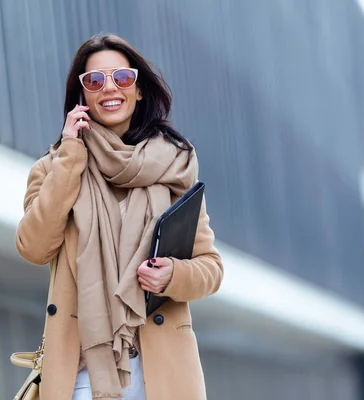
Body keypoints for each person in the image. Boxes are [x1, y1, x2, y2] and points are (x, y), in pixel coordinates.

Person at [15, 33, 224, 400]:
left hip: (161, 371)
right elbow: (32, 248)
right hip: (82, 373)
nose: (109, 88)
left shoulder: (174, 166)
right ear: (82, 96)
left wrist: (172, 275)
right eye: (94, 81)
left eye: (122, 77)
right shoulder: (55, 167)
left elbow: (210, 268)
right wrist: (70, 157)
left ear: (138, 89)